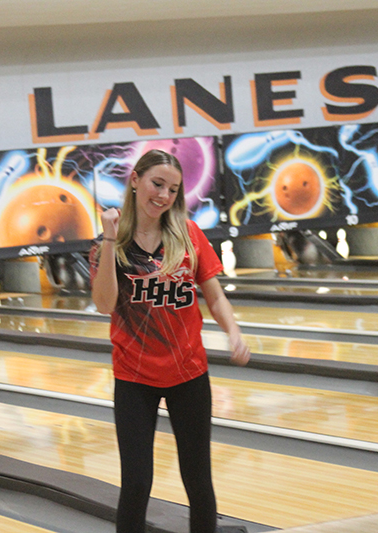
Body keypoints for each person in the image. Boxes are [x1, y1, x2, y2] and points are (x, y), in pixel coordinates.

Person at [89, 149, 250, 533]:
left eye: (173, 189)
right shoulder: (107, 244)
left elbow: (213, 294)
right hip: (134, 377)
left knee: (198, 481)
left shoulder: (188, 234)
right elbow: (104, 304)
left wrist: (233, 330)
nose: (163, 195)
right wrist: (111, 240)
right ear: (135, 181)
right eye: (156, 184)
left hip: (189, 373)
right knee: (137, 484)